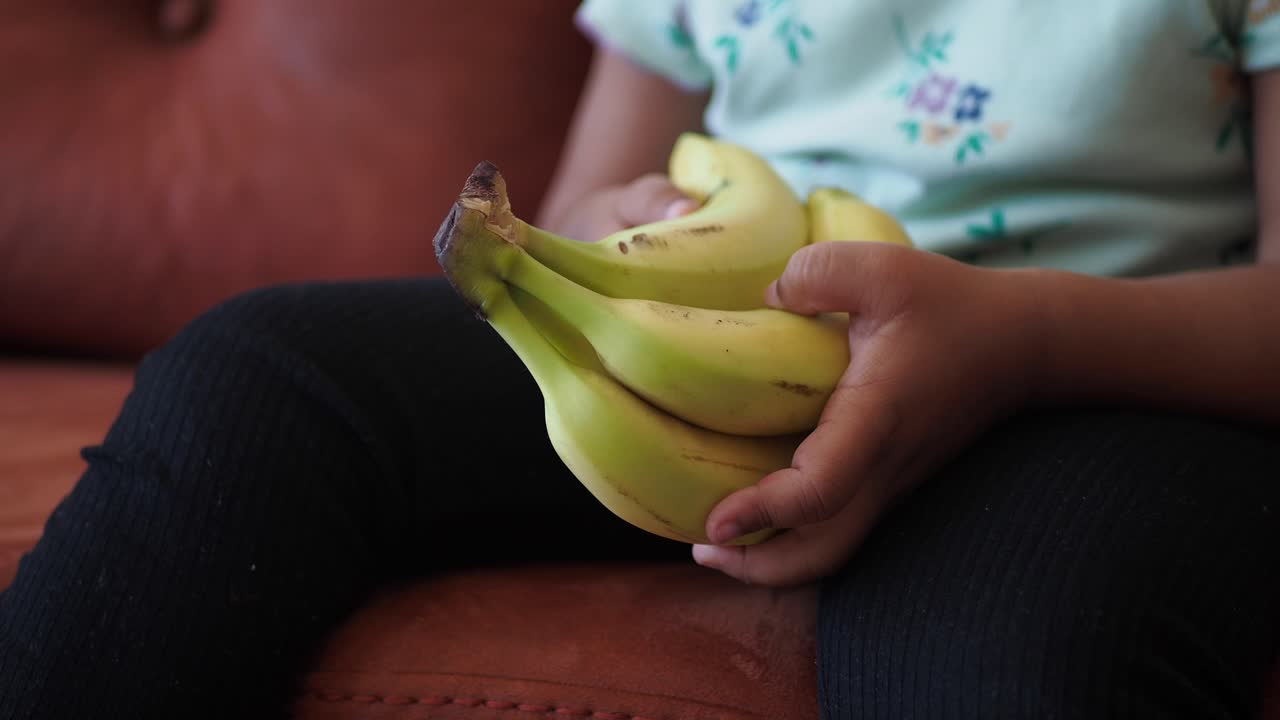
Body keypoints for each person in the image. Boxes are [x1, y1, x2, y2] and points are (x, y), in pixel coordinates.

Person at [2, 1, 1278, 718]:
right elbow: (578, 207)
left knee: (1006, 668)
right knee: (257, 377)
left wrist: (1020, 342)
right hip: (724, 350)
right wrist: (613, 237)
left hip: (1089, 380)